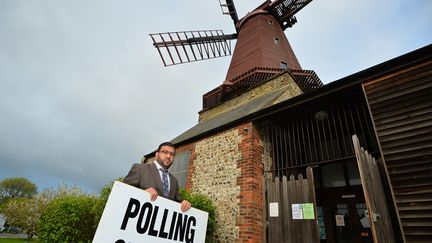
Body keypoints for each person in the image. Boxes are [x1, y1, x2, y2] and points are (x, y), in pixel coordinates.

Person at [123, 142, 191, 212]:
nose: (168, 156)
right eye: (165, 152)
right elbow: (122, 192)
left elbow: (176, 202)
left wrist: (184, 203)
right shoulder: (140, 169)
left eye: (172, 154)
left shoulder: (174, 181)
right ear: (157, 154)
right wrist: (142, 194)